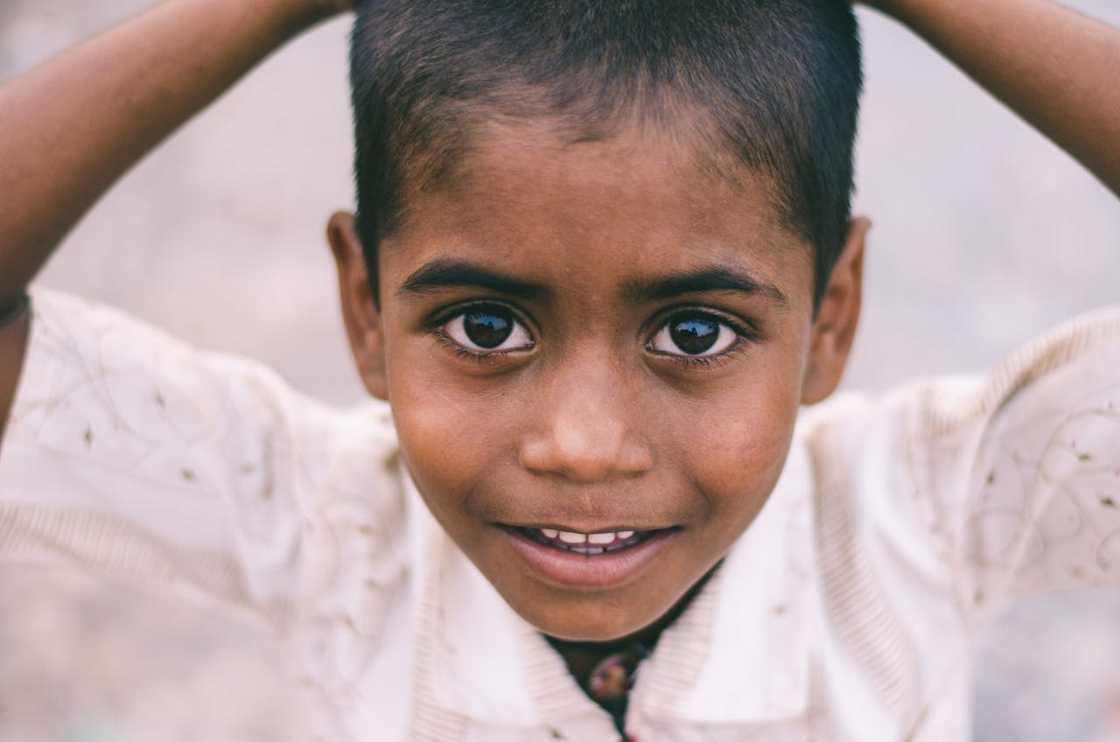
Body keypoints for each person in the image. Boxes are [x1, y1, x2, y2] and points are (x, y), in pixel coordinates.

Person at [0, 0, 1117, 739]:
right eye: (486, 328)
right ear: (364, 307)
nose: (581, 445)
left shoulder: (921, 508)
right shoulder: (324, 524)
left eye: (692, 333)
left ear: (829, 316)